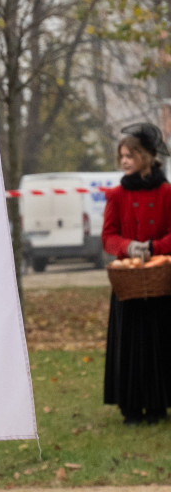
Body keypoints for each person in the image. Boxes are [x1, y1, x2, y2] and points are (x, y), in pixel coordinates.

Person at [102, 122, 171, 425]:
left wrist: (154, 246)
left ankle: (158, 403)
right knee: (129, 343)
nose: (125, 161)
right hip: (128, 281)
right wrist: (128, 247)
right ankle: (130, 406)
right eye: (122, 157)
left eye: (130, 155)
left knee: (159, 340)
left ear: (146, 156)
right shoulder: (116, 195)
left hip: (160, 278)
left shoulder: (166, 192)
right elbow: (108, 236)